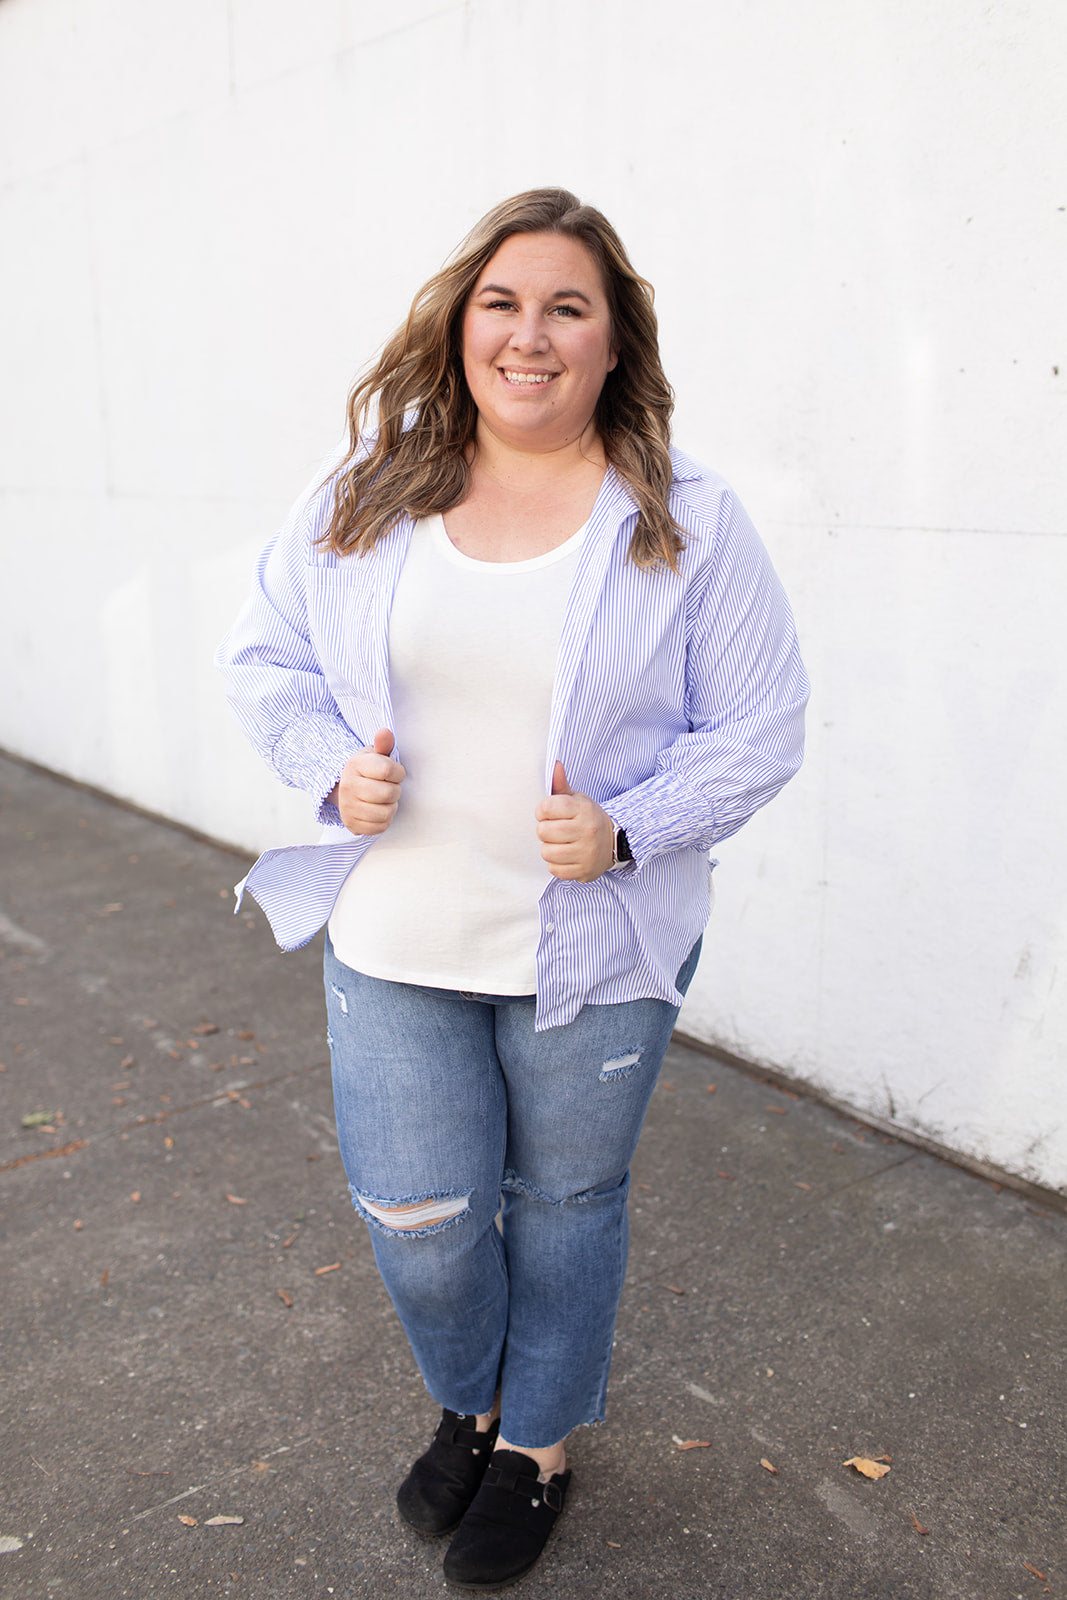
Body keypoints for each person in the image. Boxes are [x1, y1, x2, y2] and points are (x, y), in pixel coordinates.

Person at [216, 187, 808, 1591]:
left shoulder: (683, 520)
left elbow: (762, 721)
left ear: (614, 341)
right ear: (461, 324)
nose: (529, 335)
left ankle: (533, 1443)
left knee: (566, 1202)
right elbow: (267, 660)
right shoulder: (368, 490)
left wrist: (629, 829)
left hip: (595, 947)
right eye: (503, 303)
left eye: (566, 308)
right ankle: (469, 1398)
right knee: (421, 1227)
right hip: (395, 935)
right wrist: (326, 768)